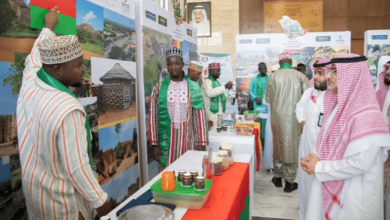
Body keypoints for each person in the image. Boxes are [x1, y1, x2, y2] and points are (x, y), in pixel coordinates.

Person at [17, 8, 108, 219]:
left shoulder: (31, 81)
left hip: (37, 200)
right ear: (58, 70)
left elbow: (33, 59)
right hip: (64, 206)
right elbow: (76, 168)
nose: (84, 69)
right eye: (78, 65)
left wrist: (48, 27)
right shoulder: (67, 108)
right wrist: (101, 203)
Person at [301, 54, 390, 220]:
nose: (328, 76)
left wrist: (319, 167)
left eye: (335, 71)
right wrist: (316, 158)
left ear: (353, 75)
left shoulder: (367, 116)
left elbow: (359, 164)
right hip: (333, 186)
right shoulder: (339, 107)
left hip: (353, 200)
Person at [149, 47, 209, 169]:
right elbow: (153, 118)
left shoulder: (193, 88)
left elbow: (200, 116)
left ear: (182, 64)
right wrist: (154, 144)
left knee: (188, 174)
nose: (173, 67)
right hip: (167, 145)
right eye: (170, 64)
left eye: (177, 63)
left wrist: (201, 143)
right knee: (168, 177)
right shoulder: (158, 88)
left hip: (188, 142)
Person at [265, 52, 310, 192]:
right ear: (291, 62)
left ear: (280, 62)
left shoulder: (272, 76)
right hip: (294, 117)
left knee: (278, 144)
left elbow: (267, 99)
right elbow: (308, 98)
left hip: (276, 117)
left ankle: (277, 177)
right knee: (291, 145)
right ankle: (289, 182)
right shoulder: (301, 76)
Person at [295, 58, 330, 220]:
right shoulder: (308, 92)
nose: (315, 77)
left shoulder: (335, 96)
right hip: (306, 146)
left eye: (320, 74)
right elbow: (299, 107)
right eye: (315, 73)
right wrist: (302, 120)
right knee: (306, 185)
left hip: (325, 154)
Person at [202, 63, 233, 129]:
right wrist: (225, 86)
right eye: (218, 70)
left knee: (219, 133)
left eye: (220, 71)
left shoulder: (218, 83)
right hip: (211, 114)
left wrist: (232, 94)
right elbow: (210, 93)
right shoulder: (207, 82)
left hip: (220, 113)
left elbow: (221, 97)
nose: (220, 73)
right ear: (211, 71)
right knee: (212, 134)